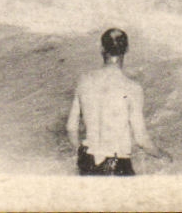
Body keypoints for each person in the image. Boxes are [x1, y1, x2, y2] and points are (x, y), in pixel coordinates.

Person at [66, 28, 168, 176]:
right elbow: (141, 140)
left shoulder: (84, 81)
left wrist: (81, 154)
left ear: (101, 48)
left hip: (87, 162)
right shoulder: (132, 88)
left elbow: (71, 128)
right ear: (126, 49)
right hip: (117, 165)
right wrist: (164, 156)